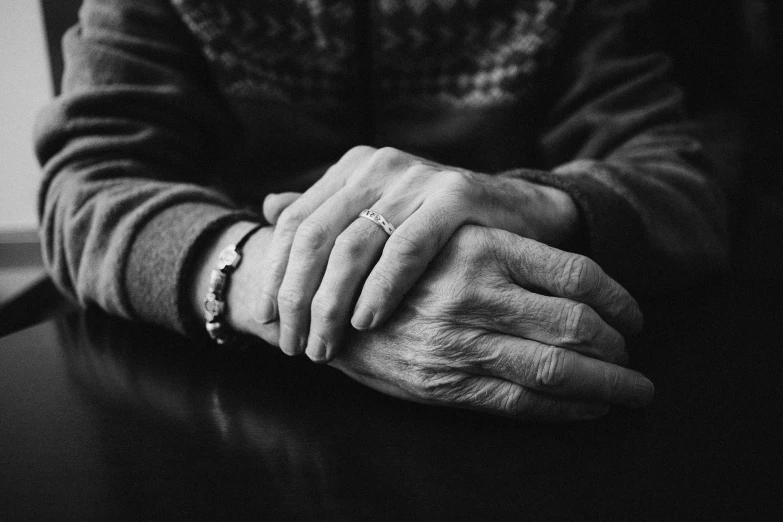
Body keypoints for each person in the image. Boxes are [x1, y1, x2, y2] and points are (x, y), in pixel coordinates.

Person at [35, 0, 728, 420]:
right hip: (222, 400)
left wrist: (524, 201)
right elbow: (89, 187)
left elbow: (680, 178)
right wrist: (289, 281)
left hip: (519, 375)